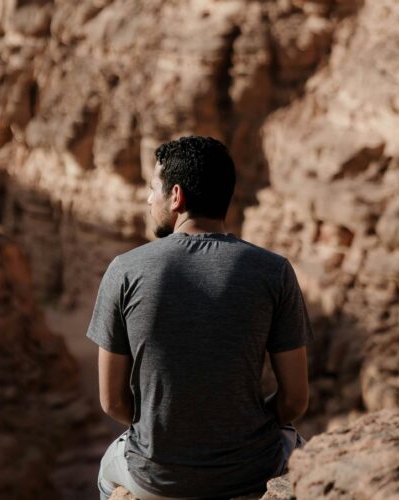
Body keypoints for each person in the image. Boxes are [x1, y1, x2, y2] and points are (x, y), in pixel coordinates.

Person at [86, 136, 313, 499]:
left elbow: (112, 402)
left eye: (151, 189)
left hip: (156, 478)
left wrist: (165, 430)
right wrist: (243, 425)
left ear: (176, 196)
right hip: (250, 473)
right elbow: (295, 401)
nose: (148, 200)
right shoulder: (274, 271)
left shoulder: (125, 270)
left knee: (104, 473)